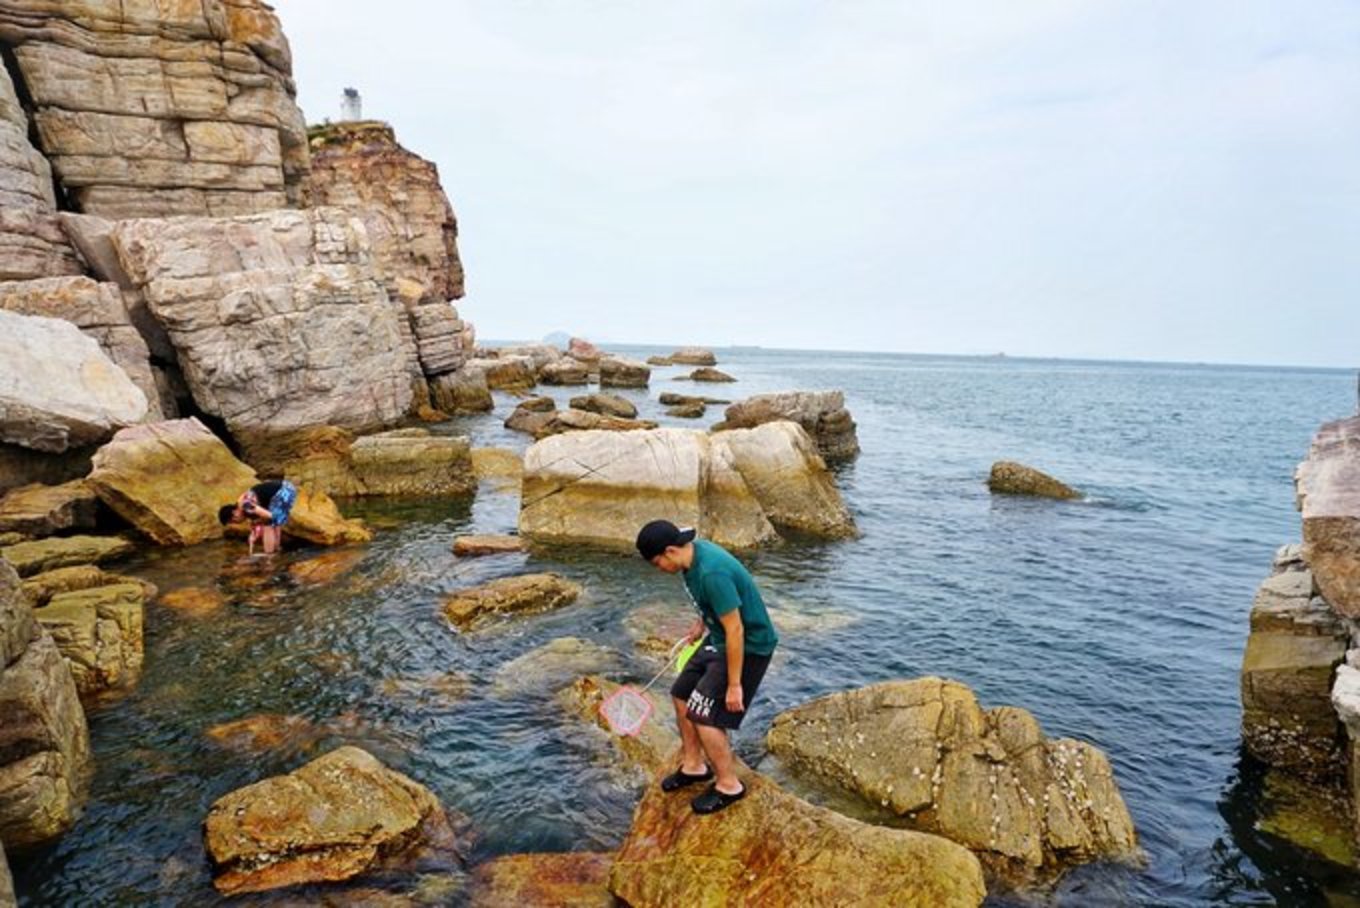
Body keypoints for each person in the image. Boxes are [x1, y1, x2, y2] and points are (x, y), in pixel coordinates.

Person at [636, 519, 778, 815]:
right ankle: (694, 766)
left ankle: (729, 785)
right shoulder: (691, 557)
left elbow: (736, 629)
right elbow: (716, 603)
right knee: (681, 694)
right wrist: (701, 622)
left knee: (704, 715)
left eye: (657, 563)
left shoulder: (712, 572)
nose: (659, 569)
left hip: (748, 645)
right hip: (717, 636)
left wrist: (734, 685)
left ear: (670, 550)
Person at [218, 479, 298, 555]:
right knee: (273, 523)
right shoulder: (242, 505)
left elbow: (270, 516)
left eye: (234, 521)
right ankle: (276, 550)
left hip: (283, 490)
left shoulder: (246, 505)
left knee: (268, 523)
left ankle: (269, 555)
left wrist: (263, 521)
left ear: (234, 513)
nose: (237, 523)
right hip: (287, 487)